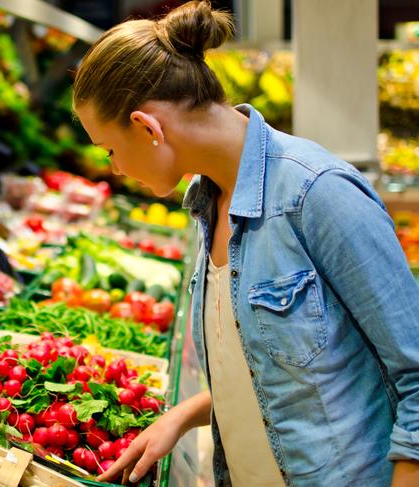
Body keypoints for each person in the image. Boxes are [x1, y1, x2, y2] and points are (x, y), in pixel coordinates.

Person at [72, 1, 419, 486]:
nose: (114, 168)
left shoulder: (316, 193)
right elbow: (281, 363)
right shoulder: (209, 201)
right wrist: (184, 415)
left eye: (110, 149)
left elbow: (416, 376)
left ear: (148, 128)